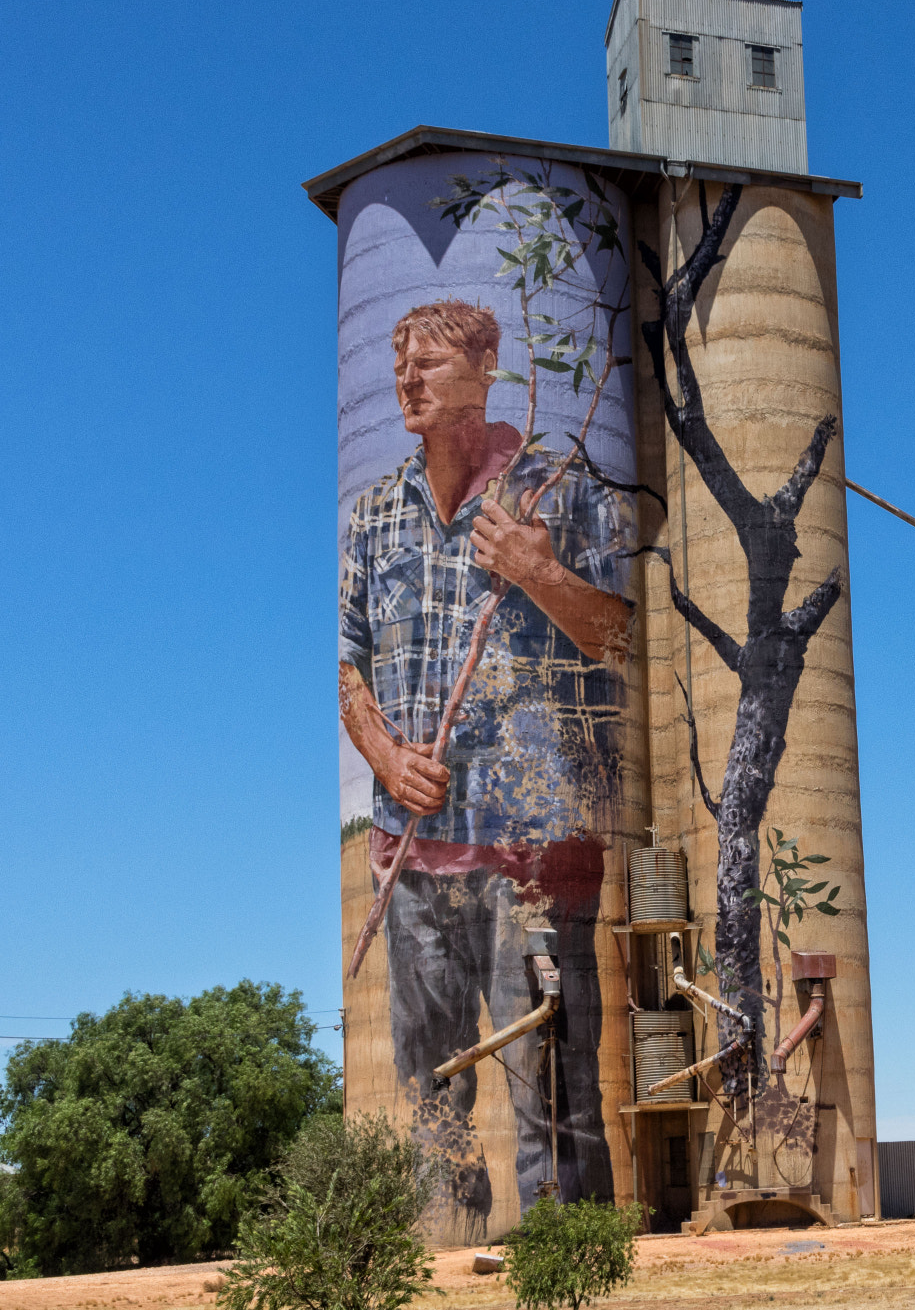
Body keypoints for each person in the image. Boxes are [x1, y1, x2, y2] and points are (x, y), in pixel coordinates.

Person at [338, 299, 630, 1230]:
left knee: (551, 1086)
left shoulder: (559, 487)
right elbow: (348, 668)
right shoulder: (375, 513)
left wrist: (543, 573)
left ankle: (569, 1257)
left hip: (536, 851)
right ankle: (443, 1259)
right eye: (399, 365)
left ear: (487, 366)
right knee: (431, 1101)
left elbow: (630, 641)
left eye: (428, 363)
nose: (407, 380)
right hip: (414, 857)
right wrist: (385, 757)